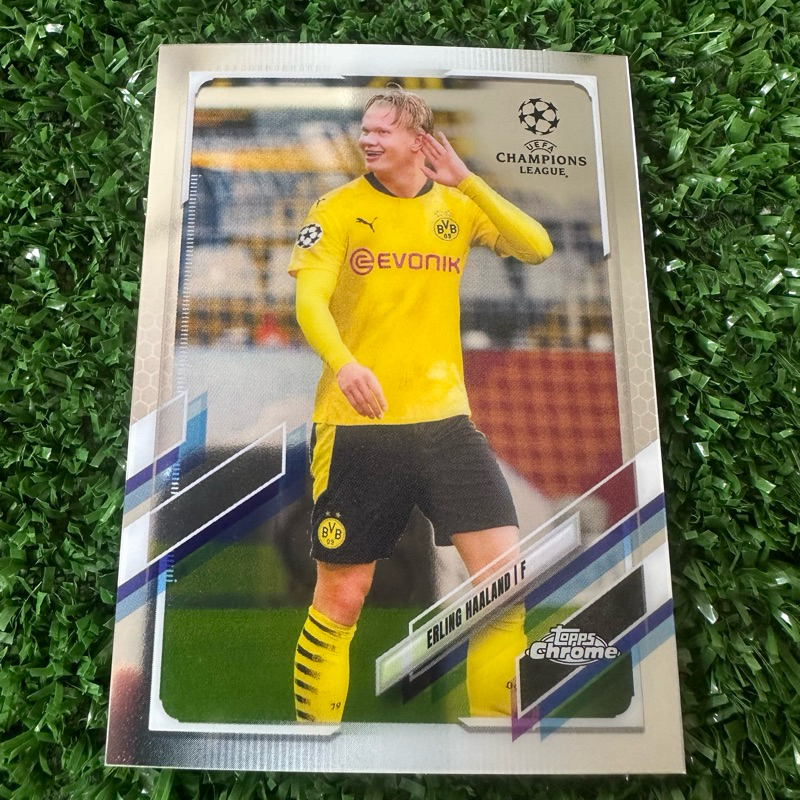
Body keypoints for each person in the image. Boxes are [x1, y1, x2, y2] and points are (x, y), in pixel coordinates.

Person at [289, 86, 553, 723]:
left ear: (418, 140)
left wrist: (470, 182)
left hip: (446, 425)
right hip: (359, 426)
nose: (367, 138)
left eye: (382, 130)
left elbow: (537, 247)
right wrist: (345, 363)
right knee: (342, 597)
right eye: (365, 128)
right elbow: (309, 302)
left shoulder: (457, 207)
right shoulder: (336, 209)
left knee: (504, 585)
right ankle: (311, 741)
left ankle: (496, 742)